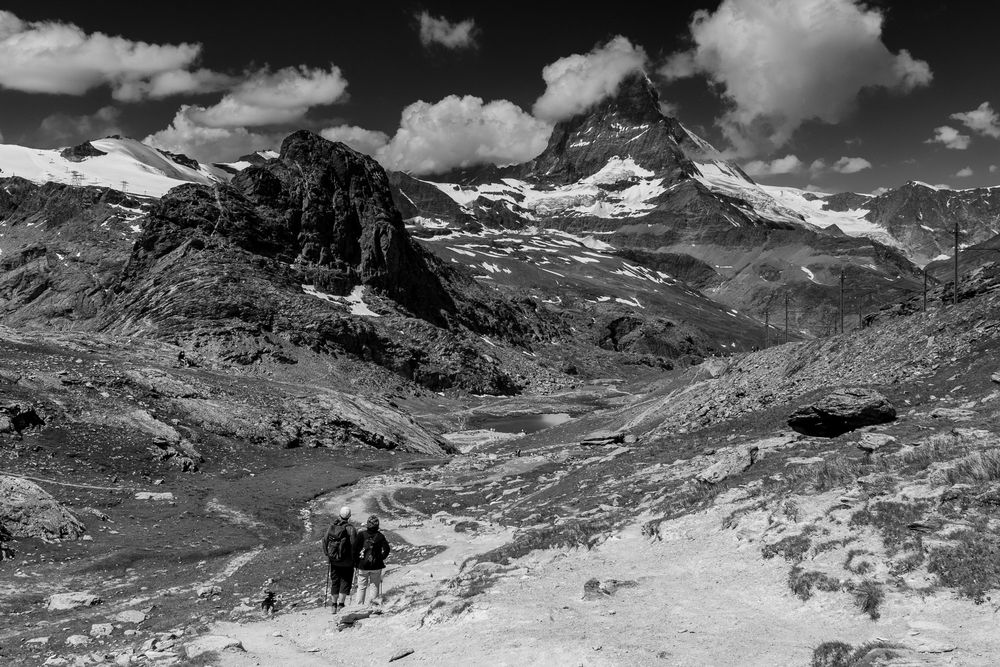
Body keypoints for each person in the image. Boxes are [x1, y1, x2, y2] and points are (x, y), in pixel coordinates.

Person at [322, 506, 358, 614]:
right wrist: (354, 560)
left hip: (334, 560)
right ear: (349, 516)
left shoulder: (332, 527)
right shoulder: (351, 529)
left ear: (339, 515)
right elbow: (354, 545)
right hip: (347, 562)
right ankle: (341, 605)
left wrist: (327, 554)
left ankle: (333, 605)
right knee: (345, 581)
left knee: (335, 582)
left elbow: (324, 541)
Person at [354, 516, 391, 605]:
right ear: (377, 526)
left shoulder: (361, 535)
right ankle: (373, 606)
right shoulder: (380, 536)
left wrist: (356, 563)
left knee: (361, 587)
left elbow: (354, 549)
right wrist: (381, 558)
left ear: (367, 525)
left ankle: (359, 607)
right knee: (374, 586)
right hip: (376, 565)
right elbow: (387, 549)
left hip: (362, 565)